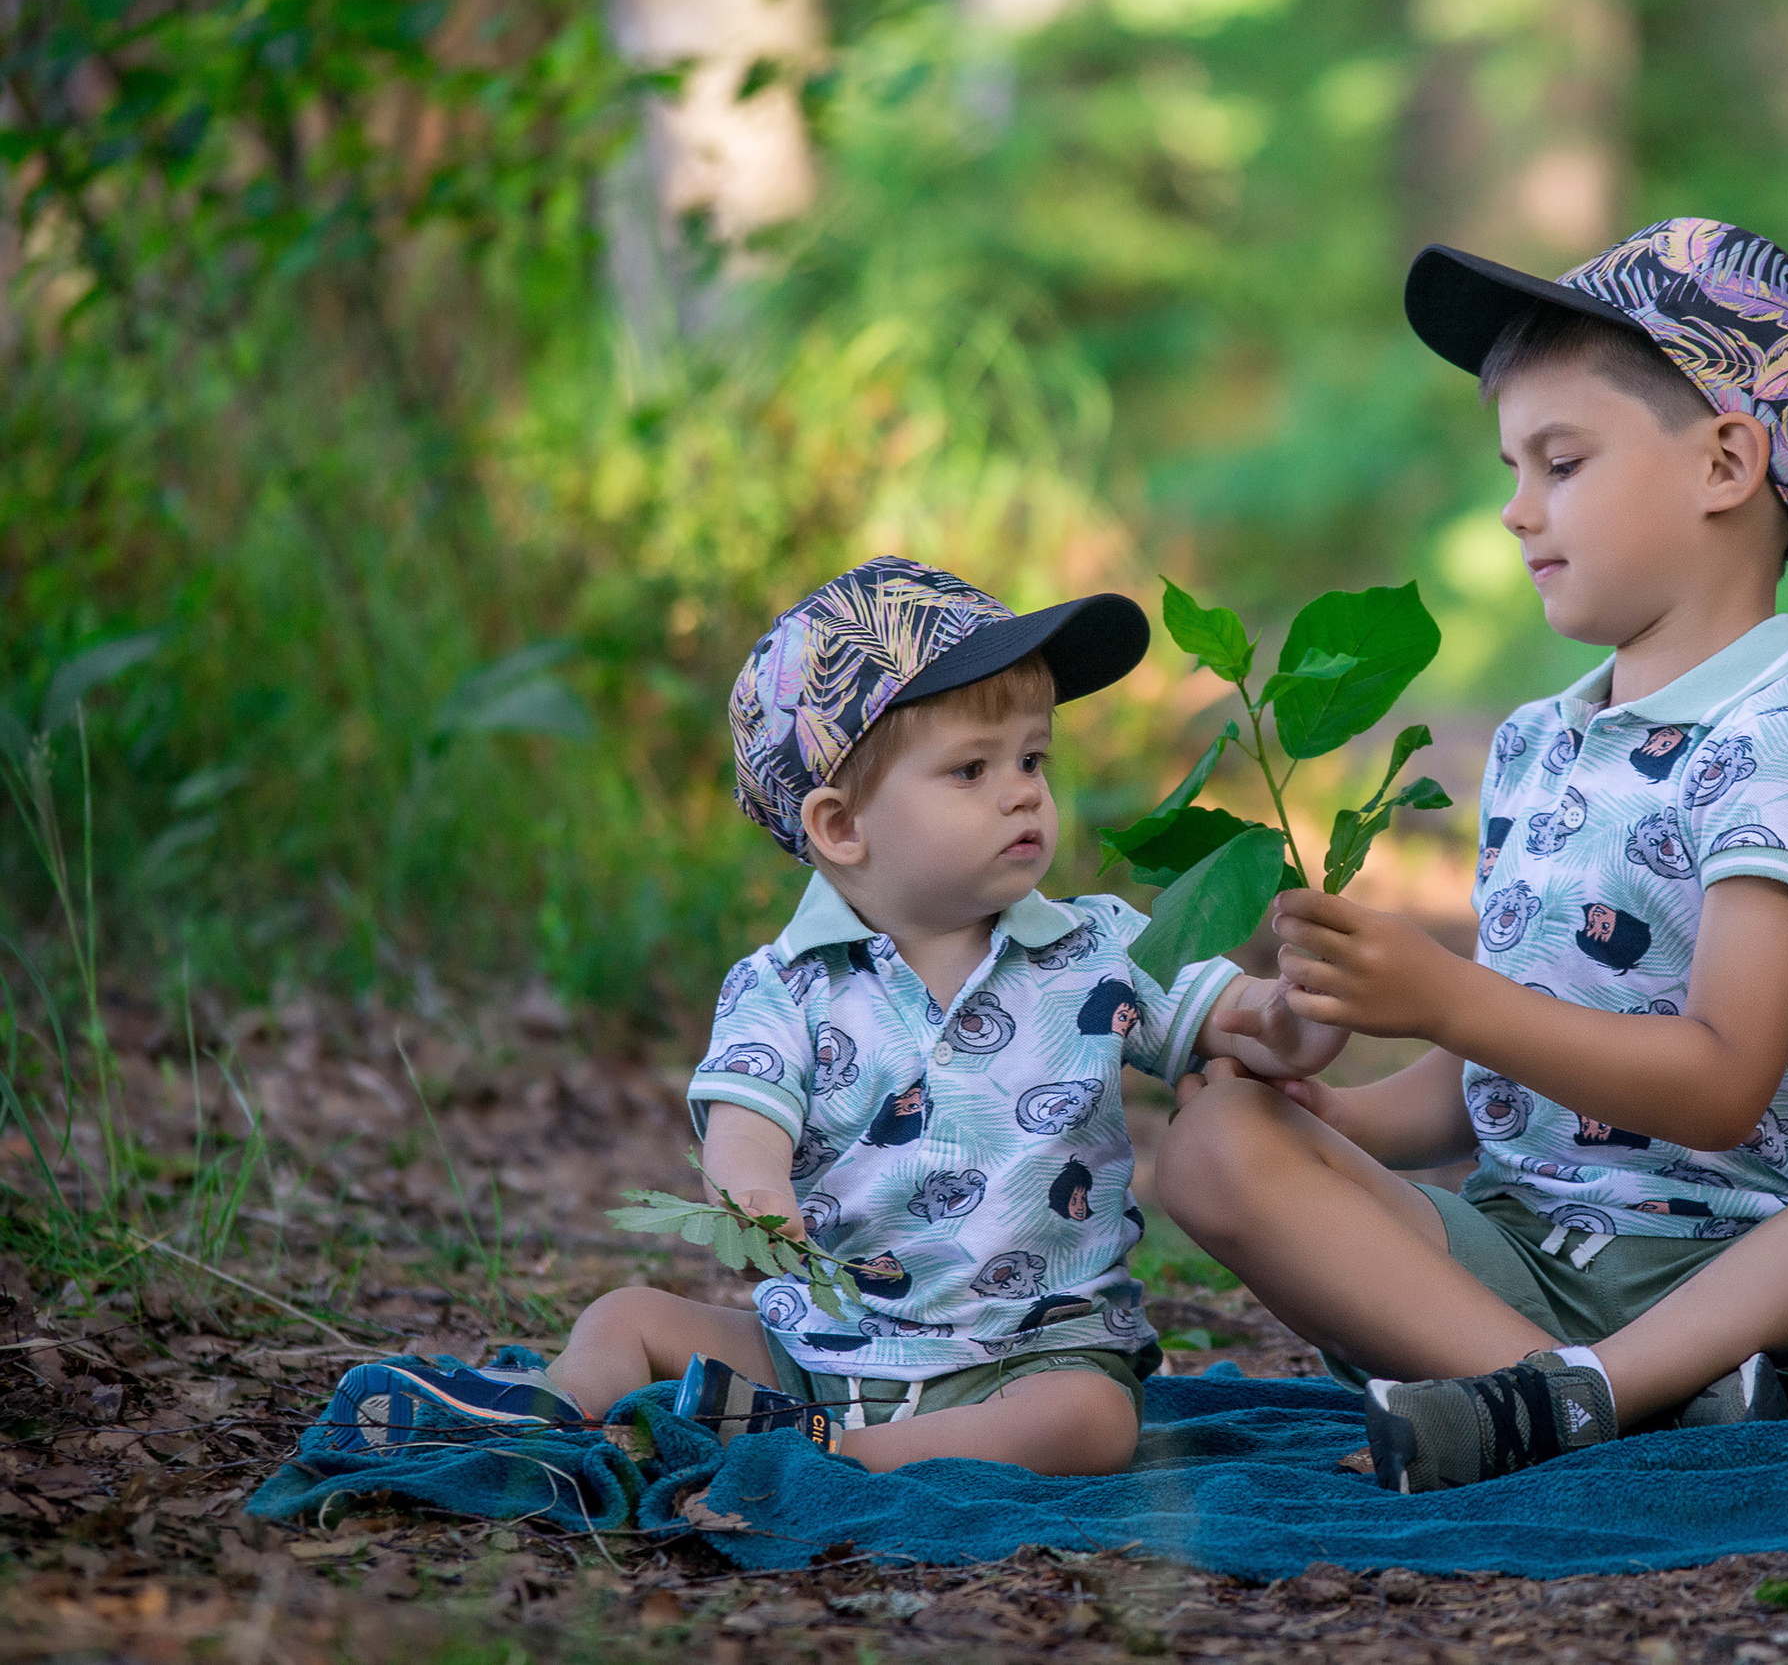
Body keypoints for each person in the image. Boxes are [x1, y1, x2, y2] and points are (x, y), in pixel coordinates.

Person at [1156, 218, 1788, 1493]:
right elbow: (1502, 1077)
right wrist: (1332, 1106)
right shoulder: (1536, 746)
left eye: (1559, 462)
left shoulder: (1779, 751)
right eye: (1511, 468)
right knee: (1212, 1139)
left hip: (1754, 1293)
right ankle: (1593, 1403)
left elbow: (1722, 1085)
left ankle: (1595, 1396)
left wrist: (1450, 995)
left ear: (1727, 461)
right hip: (1514, 1268)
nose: (1516, 511)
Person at [325, 558, 1345, 1476]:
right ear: (841, 826)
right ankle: (547, 1412)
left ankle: (845, 1456)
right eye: (970, 770)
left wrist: (1304, 1009)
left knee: (1091, 1423)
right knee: (628, 1315)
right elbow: (744, 1126)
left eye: (1032, 760)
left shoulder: (1096, 945)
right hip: (820, 1350)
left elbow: (1248, 1024)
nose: (1023, 797)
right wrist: (758, 1195)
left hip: (1033, 1354)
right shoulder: (788, 986)